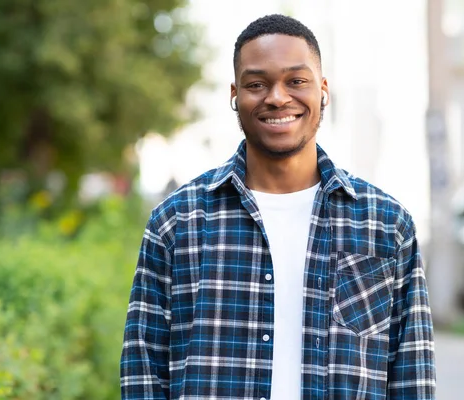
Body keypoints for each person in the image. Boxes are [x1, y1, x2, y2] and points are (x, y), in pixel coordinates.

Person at [121, 14, 436, 400]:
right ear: (235, 95)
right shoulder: (176, 223)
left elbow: (411, 376)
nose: (277, 97)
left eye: (296, 81)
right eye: (257, 84)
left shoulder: (385, 225)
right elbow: (143, 374)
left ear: (323, 90)